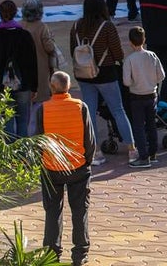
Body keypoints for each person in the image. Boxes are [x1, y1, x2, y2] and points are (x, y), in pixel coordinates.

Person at [34, 71, 96, 266]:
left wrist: (41, 164)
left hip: (52, 169)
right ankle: (80, 255)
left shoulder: (43, 109)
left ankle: (51, 254)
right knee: (80, 211)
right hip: (78, 168)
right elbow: (90, 139)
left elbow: (38, 141)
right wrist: (87, 161)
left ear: (52, 87)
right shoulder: (80, 107)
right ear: (69, 87)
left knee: (52, 212)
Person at [70, 0, 134, 164]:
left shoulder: (76, 26)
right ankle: (132, 149)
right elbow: (118, 53)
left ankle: (94, 152)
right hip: (106, 74)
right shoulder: (107, 27)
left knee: (89, 113)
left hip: (84, 75)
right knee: (118, 110)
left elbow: (73, 51)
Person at [0, 0, 38, 137]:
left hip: (0, 86)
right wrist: (34, 87)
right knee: (23, 122)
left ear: (0, 14)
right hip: (23, 85)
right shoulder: (25, 36)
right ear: (15, 13)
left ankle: (9, 156)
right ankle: (22, 155)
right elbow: (33, 64)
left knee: (6, 123)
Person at [121, 26, 165, 168]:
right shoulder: (152, 55)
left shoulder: (129, 60)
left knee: (138, 126)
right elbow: (161, 76)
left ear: (130, 42)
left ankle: (143, 156)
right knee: (151, 124)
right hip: (151, 94)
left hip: (137, 96)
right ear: (144, 39)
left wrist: (135, 82)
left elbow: (126, 82)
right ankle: (153, 153)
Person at [21, 0, 59, 108]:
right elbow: (50, 48)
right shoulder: (42, 27)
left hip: (23, 67)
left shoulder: (20, 25)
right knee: (39, 102)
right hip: (40, 68)